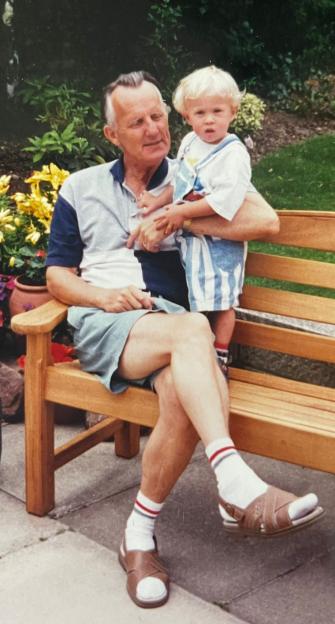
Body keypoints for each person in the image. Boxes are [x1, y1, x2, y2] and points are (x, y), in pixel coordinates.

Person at [46, 71, 324, 610]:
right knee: (195, 330)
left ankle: (138, 535)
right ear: (113, 136)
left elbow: (264, 220)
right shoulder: (80, 187)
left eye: (158, 117)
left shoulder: (199, 170)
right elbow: (57, 276)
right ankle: (235, 483)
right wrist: (103, 299)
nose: (154, 130)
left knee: (181, 387)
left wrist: (181, 220)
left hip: (175, 329)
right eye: (137, 122)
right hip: (112, 323)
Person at [137, 65, 252, 374]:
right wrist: (158, 200)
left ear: (233, 112)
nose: (209, 119)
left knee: (222, 299)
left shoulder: (233, 154)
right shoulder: (190, 143)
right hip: (193, 243)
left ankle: (221, 356)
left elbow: (224, 200)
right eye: (200, 113)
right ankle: (202, 350)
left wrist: (181, 213)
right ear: (187, 116)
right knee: (199, 296)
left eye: (217, 111)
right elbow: (181, 182)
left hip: (220, 243)